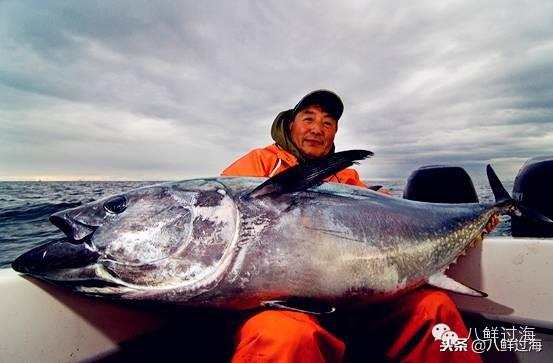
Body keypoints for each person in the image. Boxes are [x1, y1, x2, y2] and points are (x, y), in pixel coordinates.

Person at [221, 90, 498, 362]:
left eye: (328, 123)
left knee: (434, 309)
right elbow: (219, 221)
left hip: (353, 302)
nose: (317, 129)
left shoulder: (346, 177)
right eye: (308, 119)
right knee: (284, 336)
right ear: (290, 123)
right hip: (278, 303)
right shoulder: (258, 164)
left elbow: (389, 217)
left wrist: (477, 220)